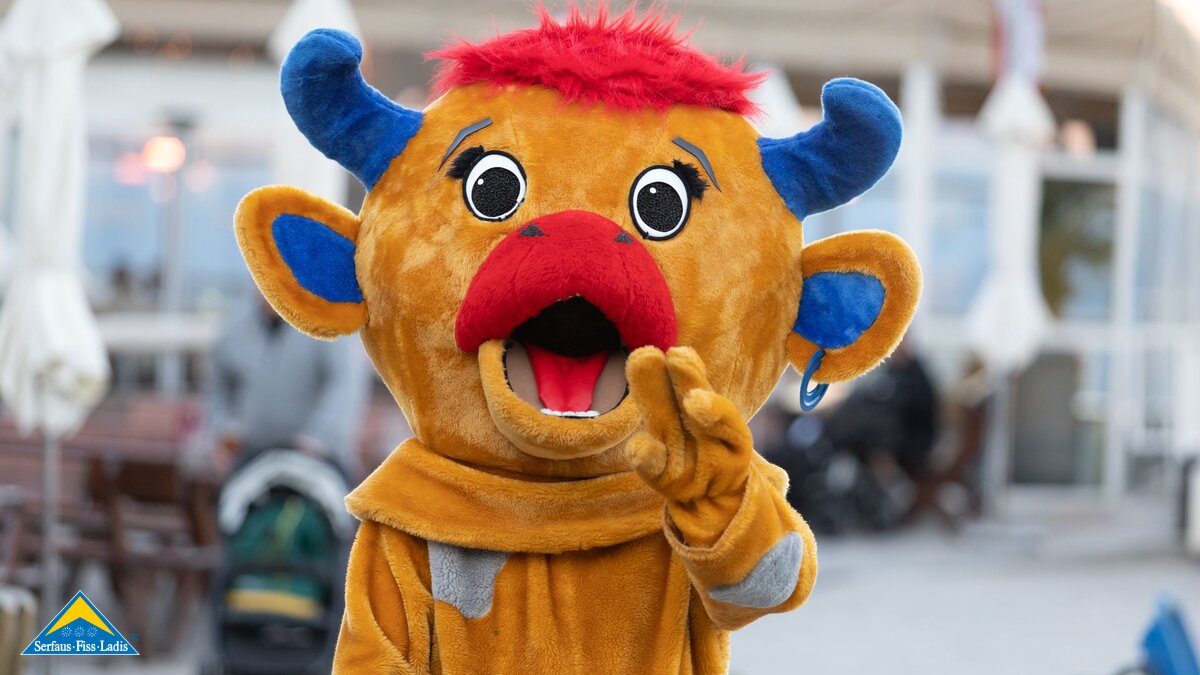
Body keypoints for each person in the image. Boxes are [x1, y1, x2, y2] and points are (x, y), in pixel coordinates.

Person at [208, 296, 370, 478]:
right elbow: (218, 386)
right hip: (253, 457)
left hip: (318, 459)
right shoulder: (235, 323)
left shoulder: (327, 318)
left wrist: (319, 438)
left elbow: (345, 382)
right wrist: (225, 431)